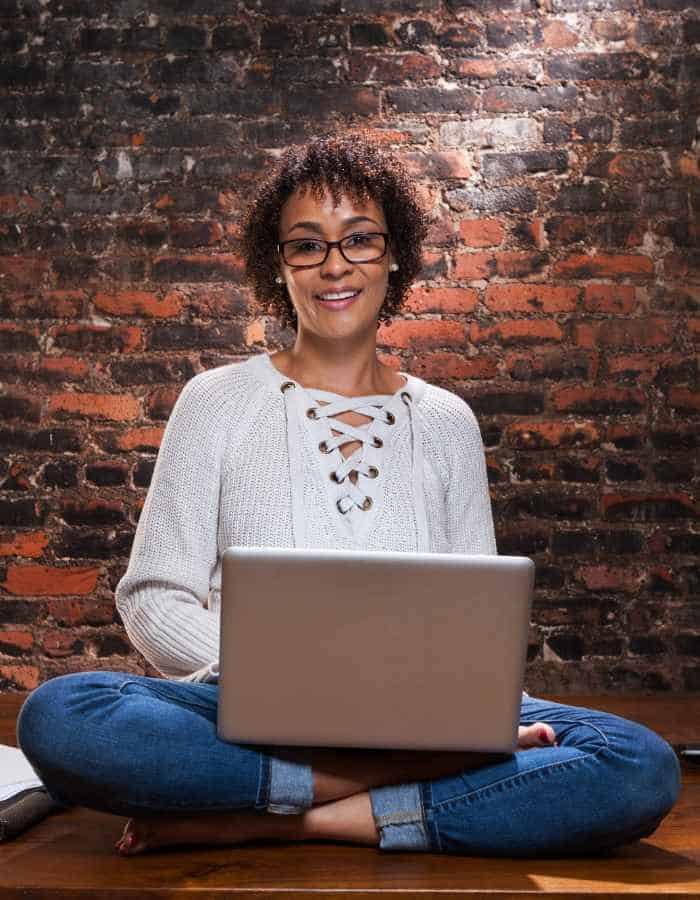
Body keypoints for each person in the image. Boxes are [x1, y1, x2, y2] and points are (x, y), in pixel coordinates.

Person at [16, 133, 680, 858]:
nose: (335, 264)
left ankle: (280, 812)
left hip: (425, 715)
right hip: (243, 709)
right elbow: (152, 596)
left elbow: (480, 624)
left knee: (636, 763)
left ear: (393, 254)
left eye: (358, 239)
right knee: (62, 714)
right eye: (307, 245)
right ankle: (408, 783)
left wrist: (440, 712)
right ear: (281, 266)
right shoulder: (214, 402)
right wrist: (282, 682)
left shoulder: (447, 421)